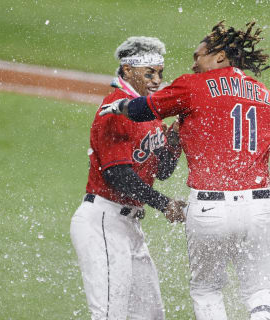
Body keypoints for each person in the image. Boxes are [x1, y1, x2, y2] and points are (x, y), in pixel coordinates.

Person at [99, 22, 270, 320]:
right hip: (259, 209)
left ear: (219, 57)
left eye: (199, 56)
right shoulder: (268, 96)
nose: (193, 63)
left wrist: (118, 107)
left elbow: (143, 109)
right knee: (263, 290)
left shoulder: (192, 87)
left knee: (207, 290)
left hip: (208, 210)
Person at [70, 36, 186, 320]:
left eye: (160, 72)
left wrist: (176, 141)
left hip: (130, 226)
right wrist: (164, 203)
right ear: (127, 71)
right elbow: (116, 175)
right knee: (110, 314)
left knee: (150, 315)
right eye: (150, 73)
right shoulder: (115, 109)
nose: (157, 80)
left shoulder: (147, 111)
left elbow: (162, 171)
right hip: (104, 222)